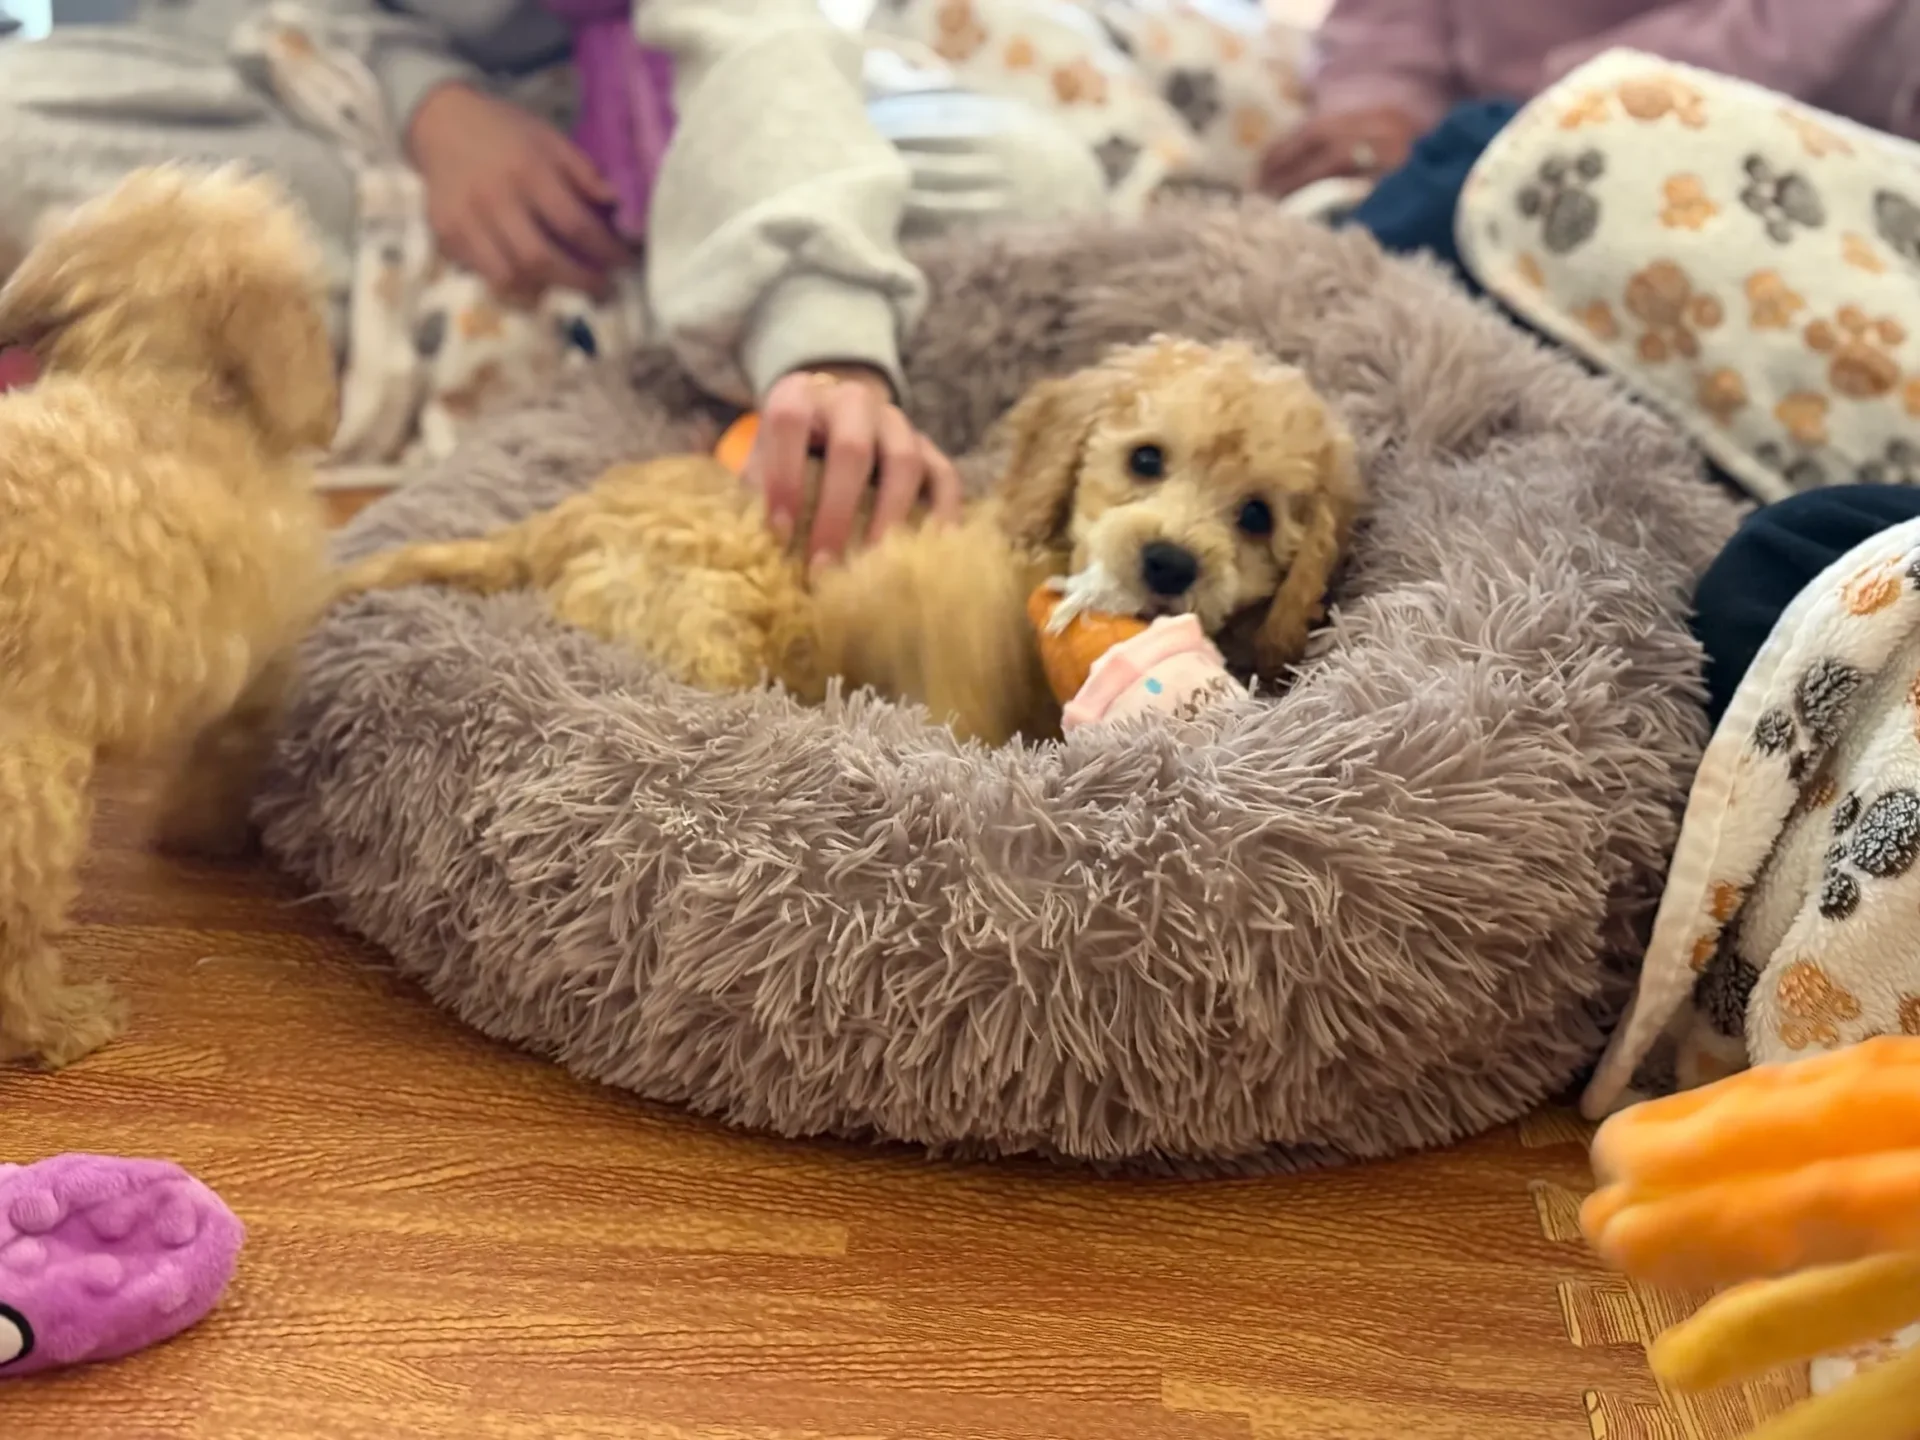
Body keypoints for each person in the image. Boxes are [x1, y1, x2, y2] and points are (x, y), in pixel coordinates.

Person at [0, 0, 1106, 563]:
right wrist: (429, 107)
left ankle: (690, 278)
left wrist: (827, 346)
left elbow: (759, 42)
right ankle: (659, 294)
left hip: (701, 106)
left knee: (1038, 183)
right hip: (337, 98)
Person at [1261, 0, 1920, 197]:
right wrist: (1383, 103)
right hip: (1463, 149)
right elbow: (1385, 30)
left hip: (1781, 160)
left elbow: (1826, 32)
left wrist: (1546, 115)